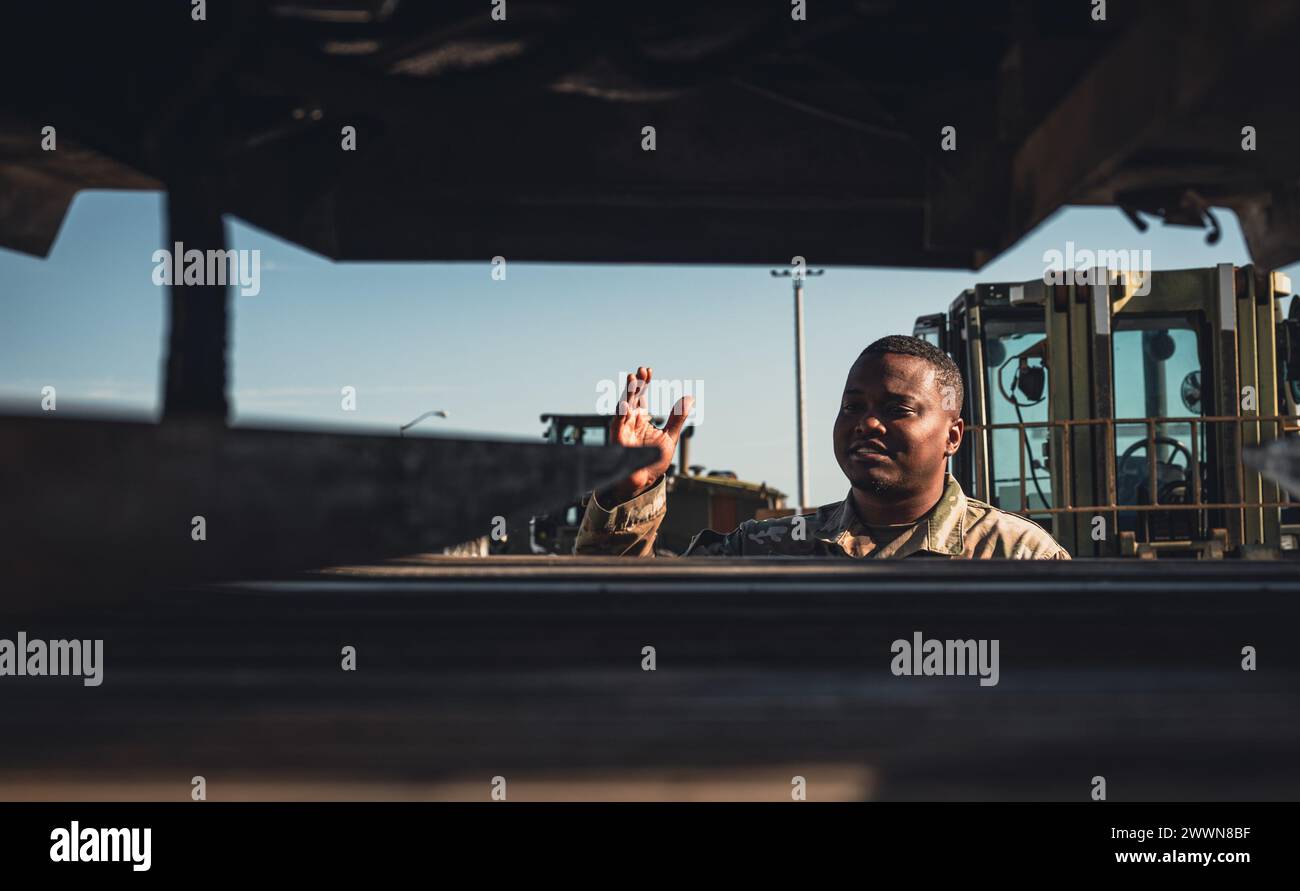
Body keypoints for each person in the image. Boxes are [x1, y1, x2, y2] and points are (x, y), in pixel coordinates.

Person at [575, 335, 1070, 559]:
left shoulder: (1018, 555)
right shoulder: (767, 548)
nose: (867, 424)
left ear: (953, 436)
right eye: (852, 407)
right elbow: (633, 616)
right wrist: (627, 493)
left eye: (897, 409)